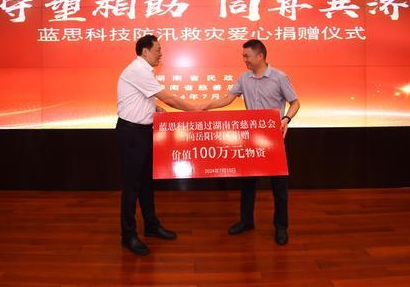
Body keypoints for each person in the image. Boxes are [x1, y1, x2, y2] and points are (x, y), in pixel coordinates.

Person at [200, 39, 299, 245]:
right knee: (247, 184)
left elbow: (295, 102)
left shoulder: (279, 77)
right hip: (250, 138)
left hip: (273, 138)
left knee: (279, 186)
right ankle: (246, 221)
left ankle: (281, 226)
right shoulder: (244, 78)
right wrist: (203, 107)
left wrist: (286, 119)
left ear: (260, 56)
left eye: (247, 56)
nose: (244, 59)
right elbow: (227, 99)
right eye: (243, 56)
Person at [117, 34, 197, 256]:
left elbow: (141, 99)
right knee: (132, 186)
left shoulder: (143, 71)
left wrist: (155, 109)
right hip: (132, 134)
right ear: (145, 51)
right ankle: (128, 235)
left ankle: (151, 225)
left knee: (145, 183)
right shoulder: (138, 70)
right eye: (157, 50)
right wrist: (195, 109)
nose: (161, 54)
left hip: (143, 132)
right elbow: (169, 98)